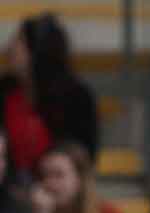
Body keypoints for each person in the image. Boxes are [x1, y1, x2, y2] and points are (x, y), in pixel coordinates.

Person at [0, 14, 97, 173]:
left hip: (55, 187)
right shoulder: (4, 90)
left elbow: (82, 159)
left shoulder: (76, 98)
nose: (9, 48)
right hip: (8, 190)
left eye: (18, 42)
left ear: (38, 50)